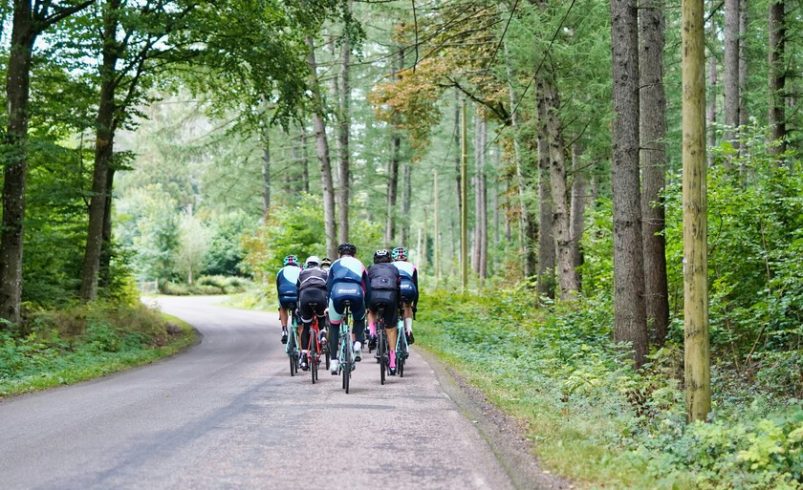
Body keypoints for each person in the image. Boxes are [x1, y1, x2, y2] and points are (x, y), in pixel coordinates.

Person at [326, 243, 368, 374]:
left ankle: (333, 361)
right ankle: (357, 344)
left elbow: (328, 286)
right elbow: (368, 287)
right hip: (356, 293)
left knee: (334, 325)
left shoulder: (334, 264)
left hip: (338, 294)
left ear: (339, 254)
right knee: (359, 318)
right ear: (354, 254)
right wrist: (367, 304)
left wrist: (329, 304)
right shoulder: (360, 264)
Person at [366, 249, 401, 375]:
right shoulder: (394, 269)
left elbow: (366, 286)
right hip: (390, 296)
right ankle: (392, 362)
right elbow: (398, 287)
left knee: (370, 310)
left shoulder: (370, 269)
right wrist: (398, 305)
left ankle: (372, 332)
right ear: (389, 259)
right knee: (391, 328)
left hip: (374, 296)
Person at [296, 256, 328, 370]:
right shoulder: (324, 273)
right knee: (321, 319)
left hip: (305, 297)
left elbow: (297, 291)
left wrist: (297, 307)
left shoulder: (302, 273)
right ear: (318, 264)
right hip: (320, 296)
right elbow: (329, 289)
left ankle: (304, 357)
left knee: (305, 326)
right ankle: (323, 335)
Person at [391, 246, 418, 344]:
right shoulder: (412, 266)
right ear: (406, 257)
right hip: (409, 287)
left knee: (392, 306)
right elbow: (416, 287)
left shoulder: (391, 265)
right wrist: (414, 305)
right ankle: (409, 330)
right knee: (407, 306)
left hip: (395, 287)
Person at [276, 255, 302, 344]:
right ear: (296, 263)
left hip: (284, 296)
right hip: (297, 298)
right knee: (301, 320)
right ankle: (302, 348)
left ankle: (284, 329)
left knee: (282, 307)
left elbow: (278, 287)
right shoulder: (301, 271)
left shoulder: (280, 271)